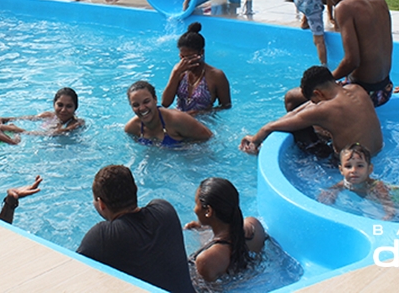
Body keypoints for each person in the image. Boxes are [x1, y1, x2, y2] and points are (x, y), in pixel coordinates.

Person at [285, 0, 394, 110]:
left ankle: (320, 133)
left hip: (366, 92)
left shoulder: (345, 7)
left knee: (292, 98)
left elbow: (352, 61)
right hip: (385, 89)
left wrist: (325, 80)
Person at [77, 165, 195, 293]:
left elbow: (71, 271)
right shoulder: (165, 210)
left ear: (101, 204)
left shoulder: (102, 236)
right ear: (136, 189)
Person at [239, 65, 383, 158]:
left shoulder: (325, 109)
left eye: (315, 101)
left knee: (298, 131)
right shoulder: (356, 89)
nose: (314, 105)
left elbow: (269, 127)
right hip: (375, 154)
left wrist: (254, 140)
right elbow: (302, 110)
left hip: (348, 164)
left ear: (318, 93)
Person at [184, 177, 267, 284]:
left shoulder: (206, 259)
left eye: (196, 203)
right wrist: (207, 227)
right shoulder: (254, 226)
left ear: (208, 211)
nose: (194, 209)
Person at [293, 0, 364, 66]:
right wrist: (336, 22)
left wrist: (330, 17)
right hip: (310, 2)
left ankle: (304, 22)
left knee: (317, 5)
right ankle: (324, 65)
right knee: (319, 39)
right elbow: (334, 1)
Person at [161, 22, 230, 113]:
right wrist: (175, 73)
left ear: (201, 52)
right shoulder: (179, 70)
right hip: (180, 120)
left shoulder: (216, 76)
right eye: (182, 57)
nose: (186, 61)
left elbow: (226, 106)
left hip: (204, 121)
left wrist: (202, 113)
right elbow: (165, 103)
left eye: (190, 57)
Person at [319, 143, 394, 220]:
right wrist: (330, 194)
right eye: (348, 166)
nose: (353, 170)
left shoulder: (376, 186)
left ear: (370, 169)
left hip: (397, 197)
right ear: (341, 170)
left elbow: (388, 204)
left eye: (360, 166)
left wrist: (388, 215)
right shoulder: (345, 183)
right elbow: (333, 189)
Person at [124, 80, 212, 146]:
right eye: (136, 105)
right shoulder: (132, 128)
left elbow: (210, 138)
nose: (142, 108)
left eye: (146, 102)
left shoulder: (177, 119)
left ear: (155, 99)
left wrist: (187, 150)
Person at [12, 87, 85, 135]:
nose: (63, 110)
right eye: (60, 105)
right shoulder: (49, 115)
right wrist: (2, 119)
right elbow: (24, 118)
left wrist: (20, 131)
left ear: (75, 108)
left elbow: (53, 134)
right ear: (54, 104)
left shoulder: (77, 123)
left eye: (69, 106)